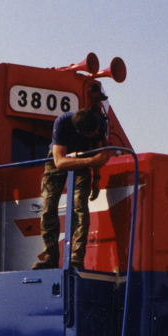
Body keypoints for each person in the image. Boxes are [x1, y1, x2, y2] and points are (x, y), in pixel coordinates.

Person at [33, 107, 110, 270]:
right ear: (79, 131)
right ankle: (50, 257)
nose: (97, 133)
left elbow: (98, 153)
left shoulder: (99, 124)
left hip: (83, 158)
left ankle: (76, 259)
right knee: (48, 207)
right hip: (59, 158)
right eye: (92, 133)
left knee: (80, 207)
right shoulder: (61, 124)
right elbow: (59, 162)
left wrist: (96, 178)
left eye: (97, 130)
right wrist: (90, 162)